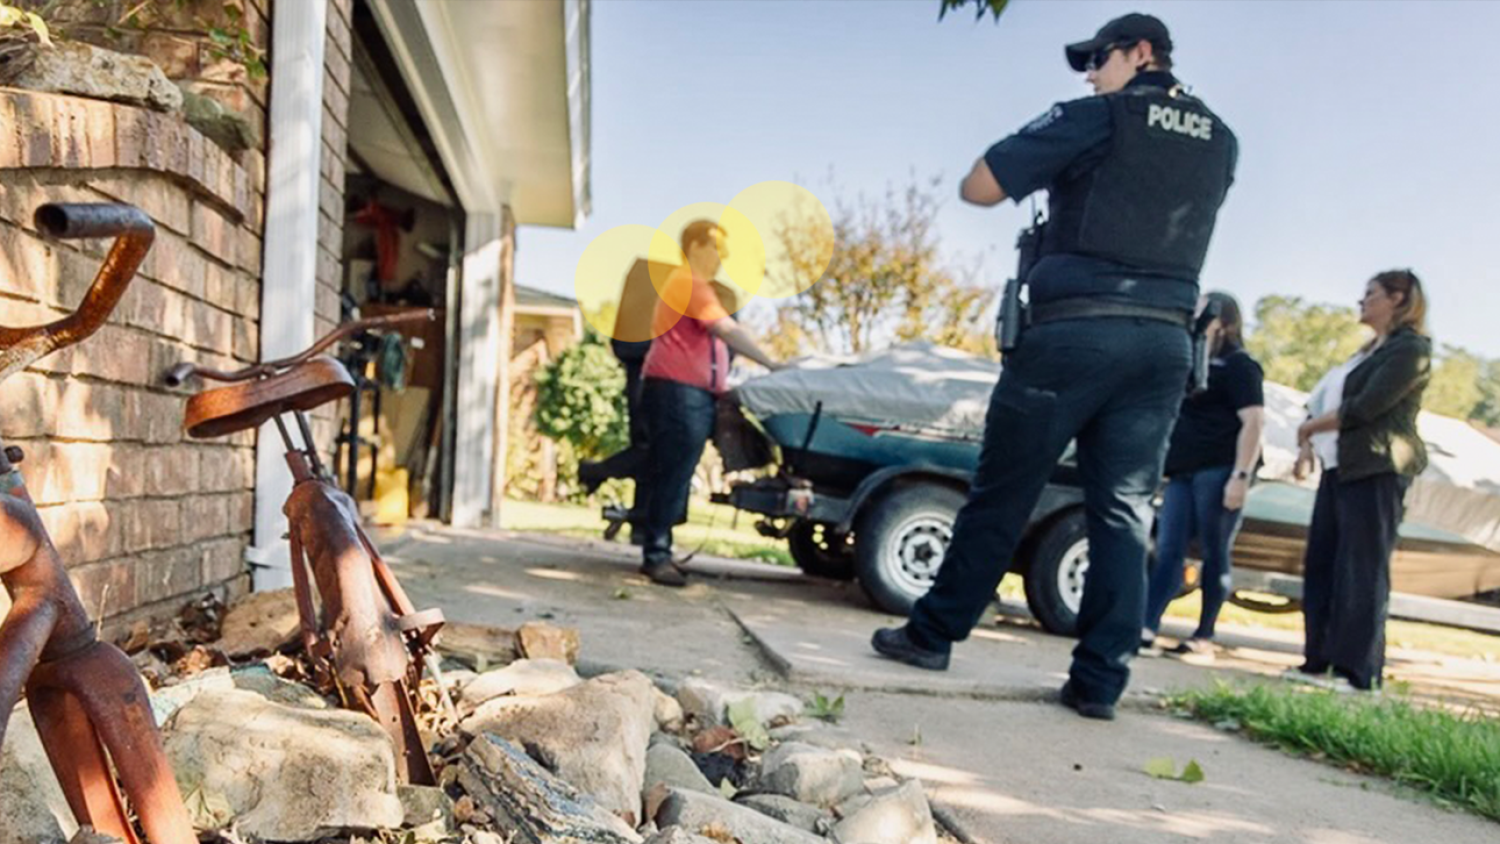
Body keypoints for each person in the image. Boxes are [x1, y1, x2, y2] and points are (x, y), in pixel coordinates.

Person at [871, 12, 1239, 721]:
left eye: (1098, 59)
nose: (1089, 74)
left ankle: (932, 634)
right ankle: (1100, 682)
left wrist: (1065, 140)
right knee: (1124, 512)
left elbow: (979, 184)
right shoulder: (1223, 139)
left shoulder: (1099, 117)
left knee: (1003, 491)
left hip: (1075, 333)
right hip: (1164, 344)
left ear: (1141, 53)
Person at [1290, 270, 1431, 692]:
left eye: (1370, 294)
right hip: (1340, 469)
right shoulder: (1365, 352)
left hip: (1376, 468)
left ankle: (1357, 672)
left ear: (1398, 298)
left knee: (1362, 569)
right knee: (1323, 563)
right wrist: (1308, 431)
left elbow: (1366, 406)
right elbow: (1325, 401)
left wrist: (1311, 428)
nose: (1361, 301)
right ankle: (1318, 660)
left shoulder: (1410, 350)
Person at [637, 220, 782, 586]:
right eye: (718, 249)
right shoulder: (689, 282)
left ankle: (659, 548)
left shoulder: (689, 285)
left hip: (683, 391)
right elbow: (725, 329)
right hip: (677, 391)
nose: (722, 258)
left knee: (675, 469)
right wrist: (772, 364)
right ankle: (656, 553)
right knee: (672, 470)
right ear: (697, 247)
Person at [1141, 291, 1264, 662]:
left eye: (1202, 313)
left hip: (1221, 469)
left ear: (1222, 323)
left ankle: (1203, 637)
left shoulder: (1240, 366)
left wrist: (1240, 476)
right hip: (1184, 471)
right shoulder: (1193, 366)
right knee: (1168, 549)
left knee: (1215, 552)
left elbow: (1254, 422)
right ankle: (1144, 626)